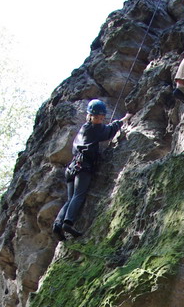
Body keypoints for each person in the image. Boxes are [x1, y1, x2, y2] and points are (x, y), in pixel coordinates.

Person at [52, 99, 130, 240]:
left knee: (70, 198)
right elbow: (109, 131)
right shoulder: (94, 129)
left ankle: (58, 223)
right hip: (83, 166)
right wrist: (125, 119)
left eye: (101, 117)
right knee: (79, 195)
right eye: (97, 117)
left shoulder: (84, 128)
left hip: (72, 167)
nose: (100, 120)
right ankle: (68, 222)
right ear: (90, 116)